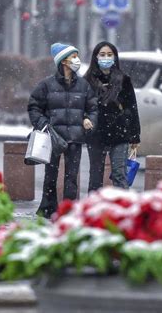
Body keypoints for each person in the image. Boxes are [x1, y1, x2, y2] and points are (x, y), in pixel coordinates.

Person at [28, 43, 98, 219]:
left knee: (71, 177)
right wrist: (43, 124)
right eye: (74, 57)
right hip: (53, 138)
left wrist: (90, 119)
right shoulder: (46, 85)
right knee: (50, 175)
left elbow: (93, 108)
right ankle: (47, 209)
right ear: (64, 61)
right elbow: (34, 106)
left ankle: (68, 210)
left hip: (75, 138)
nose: (77, 60)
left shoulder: (84, 85)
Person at [84, 41, 141, 191]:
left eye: (110, 55)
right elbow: (82, 106)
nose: (106, 58)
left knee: (119, 175)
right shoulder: (87, 80)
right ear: (96, 57)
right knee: (95, 177)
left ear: (115, 57)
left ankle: (122, 209)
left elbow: (132, 107)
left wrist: (135, 136)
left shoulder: (124, 79)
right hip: (96, 133)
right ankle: (93, 211)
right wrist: (84, 119)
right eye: (102, 54)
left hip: (119, 132)